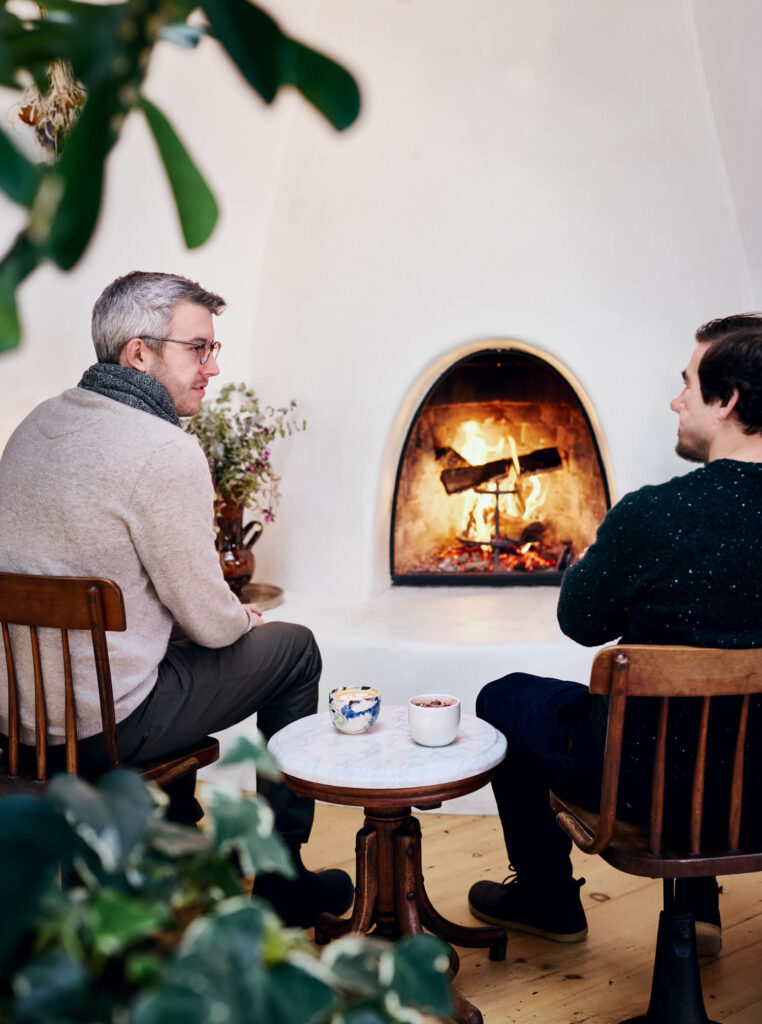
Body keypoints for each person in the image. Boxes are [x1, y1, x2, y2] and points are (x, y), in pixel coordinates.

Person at [0, 270, 353, 927]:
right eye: (198, 348)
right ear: (139, 353)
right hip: (103, 730)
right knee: (294, 650)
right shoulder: (163, 451)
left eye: (213, 348)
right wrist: (240, 616)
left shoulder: (36, 423)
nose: (213, 367)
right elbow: (210, 622)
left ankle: (178, 838)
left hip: (18, 729)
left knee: (172, 640)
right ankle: (283, 880)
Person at [468, 314, 762, 957]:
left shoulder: (656, 515)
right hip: (758, 793)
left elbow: (580, 623)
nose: (676, 401)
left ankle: (547, 898)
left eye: (687, 384)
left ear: (728, 400)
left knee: (504, 697)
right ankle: (697, 905)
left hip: (647, 790)